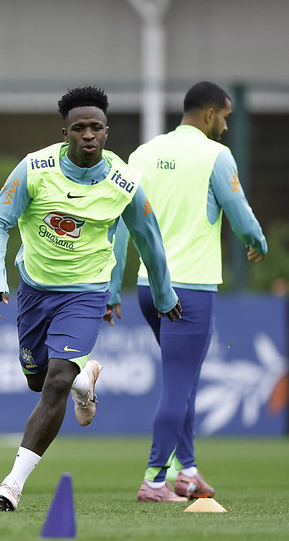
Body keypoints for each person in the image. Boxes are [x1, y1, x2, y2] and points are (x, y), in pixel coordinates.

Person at [0, 85, 181, 511]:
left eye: (96, 127)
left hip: (86, 292)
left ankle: (12, 485)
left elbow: (149, 240)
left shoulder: (125, 182)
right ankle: (84, 377)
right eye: (79, 128)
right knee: (37, 379)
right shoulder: (34, 169)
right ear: (65, 133)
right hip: (34, 289)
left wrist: (164, 296)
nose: (88, 135)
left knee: (54, 382)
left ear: (107, 132)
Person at [113, 81, 268, 503]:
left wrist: (112, 286)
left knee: (186, 381)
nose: (226, 126)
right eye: (225, 118)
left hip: (149, 287)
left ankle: (188, 472)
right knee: (179, 386)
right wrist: (257, 240)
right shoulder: (216, 155)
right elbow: (239, 213)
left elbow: (121, 224)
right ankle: (155, 480)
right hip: (190, 290)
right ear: (209, 114)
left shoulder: (143, 154)